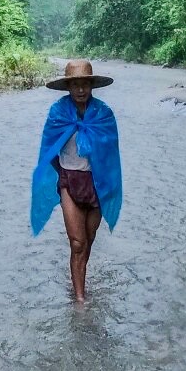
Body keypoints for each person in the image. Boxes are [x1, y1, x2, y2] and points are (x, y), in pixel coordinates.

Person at [30, 60, 122, 302]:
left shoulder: (103, 114)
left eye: (85, 85)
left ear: (92, 86)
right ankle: (80, 299)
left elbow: (111, 156)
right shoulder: (58, 113)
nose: (80, 90)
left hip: (98, 184)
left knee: (89, 240)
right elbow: (49, 150)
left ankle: (80, 276)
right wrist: (61, 177)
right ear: (68, 87)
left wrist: (110, 187)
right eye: (75, 85)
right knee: (77, 242)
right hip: (69, 182)